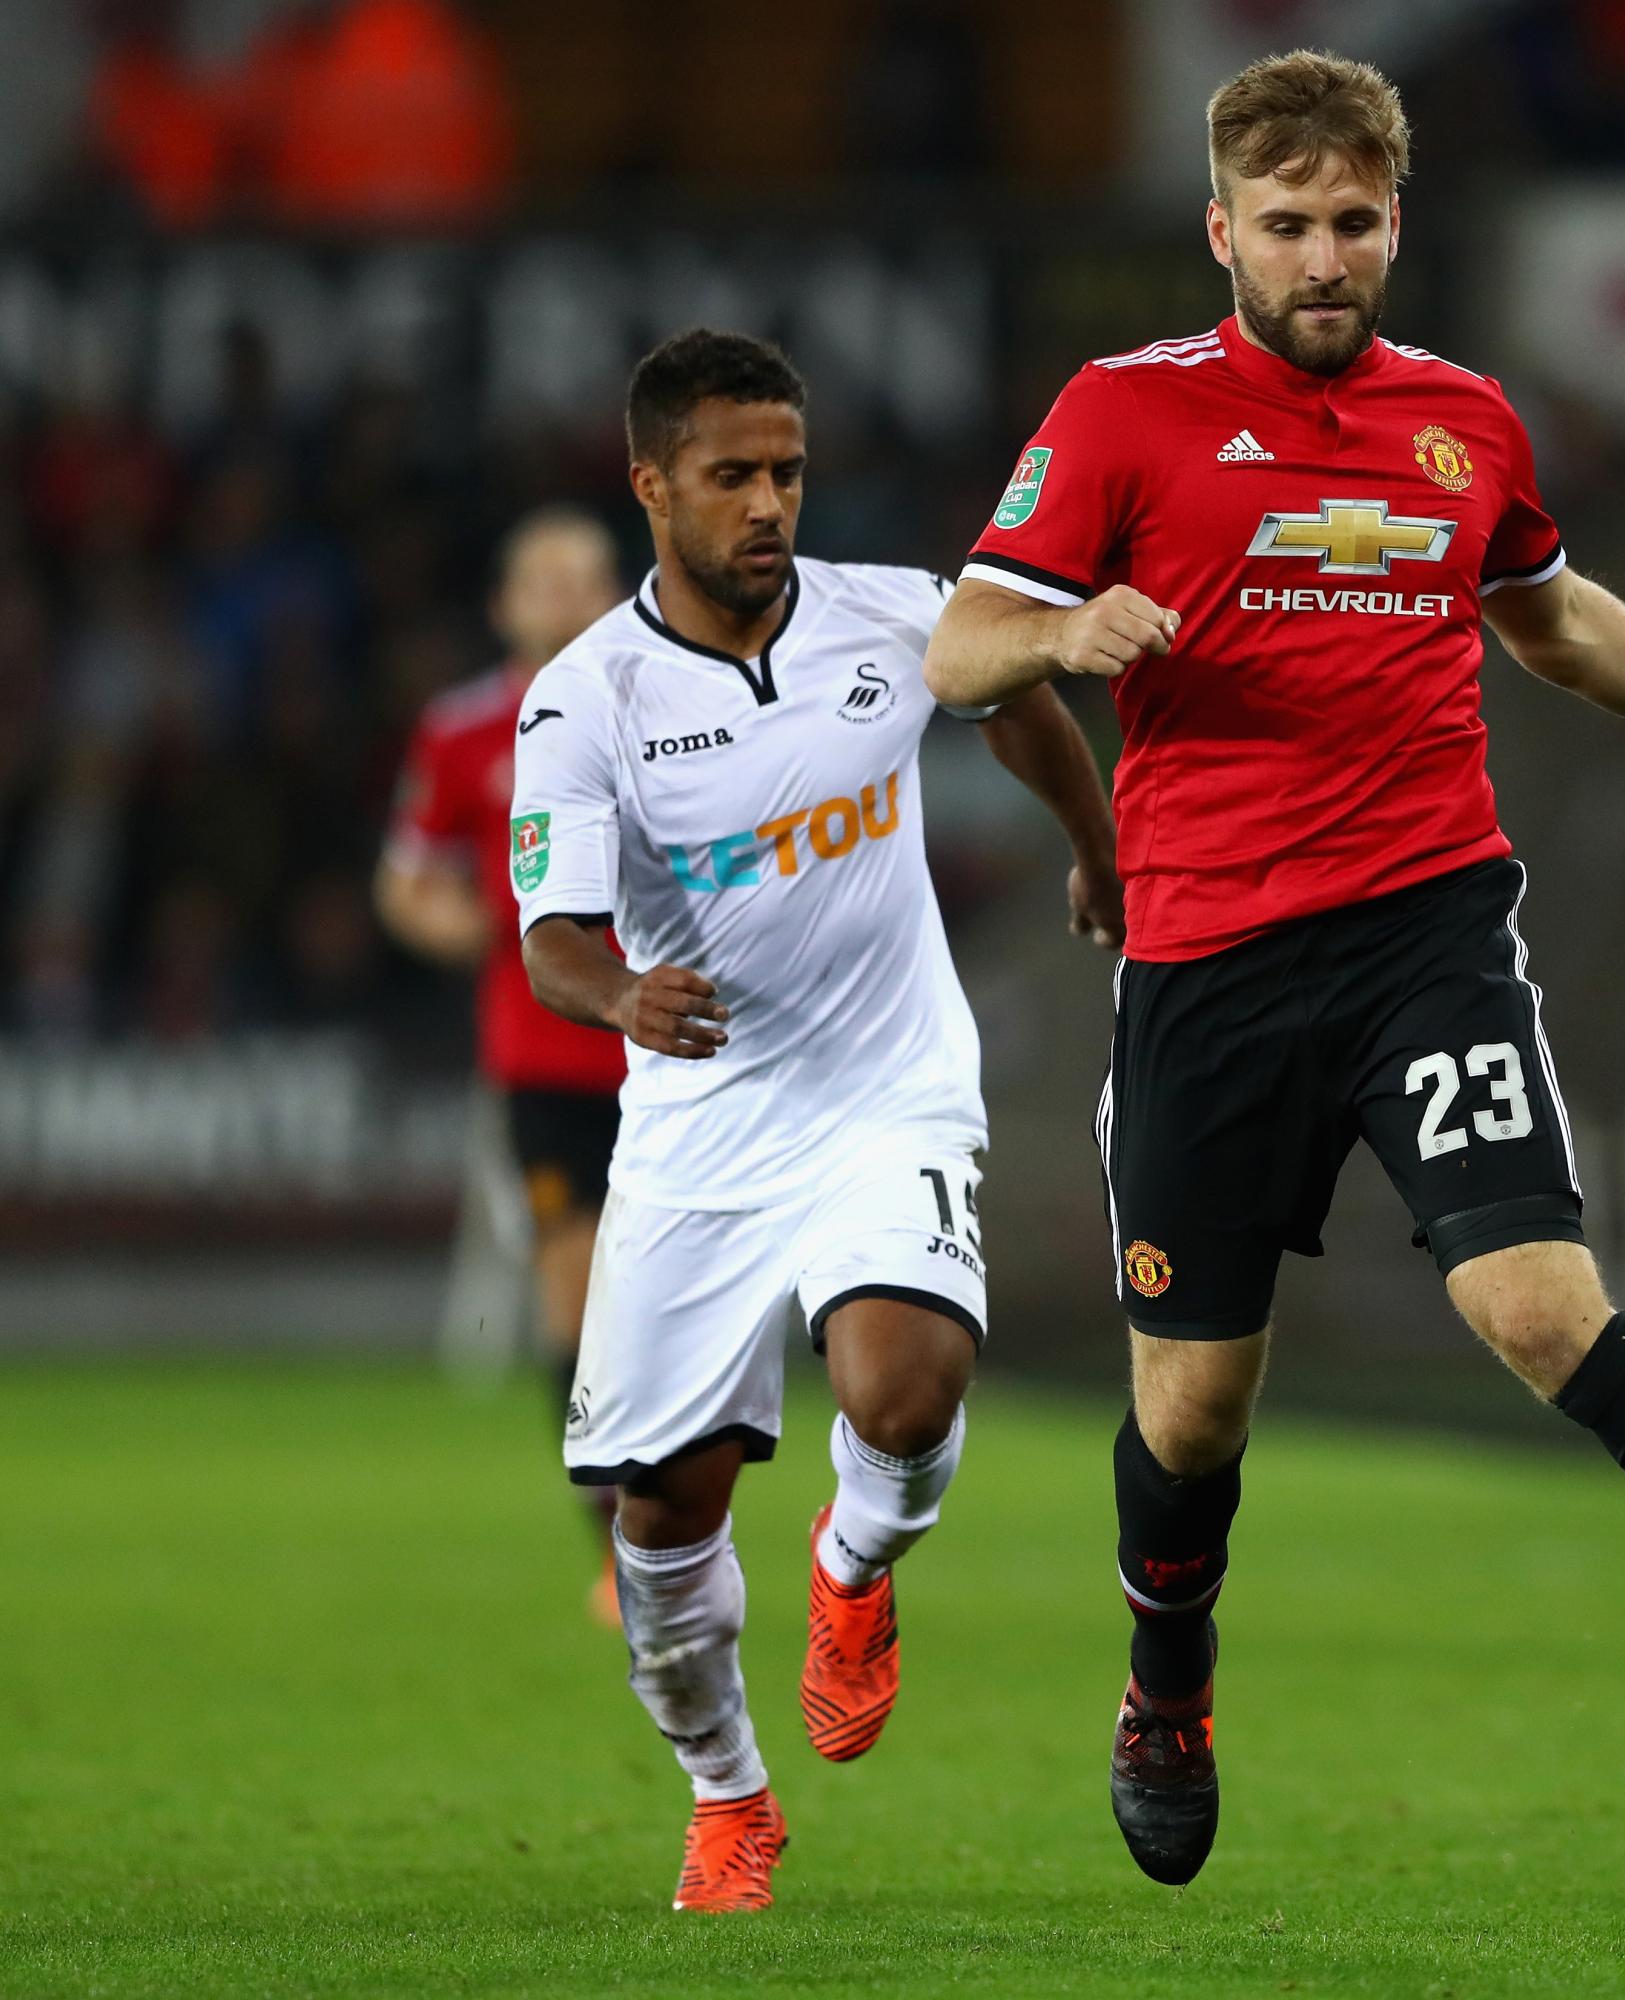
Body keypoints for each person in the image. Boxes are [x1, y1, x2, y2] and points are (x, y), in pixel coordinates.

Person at [925, 50, 1625, 1891]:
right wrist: (1073, 622)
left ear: (1399, 222)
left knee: (1543, 1310)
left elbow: (1551, 616)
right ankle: (1169, 1685)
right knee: (1193, 1410)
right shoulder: (1123, 416)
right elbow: (961, 646)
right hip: (1208, 966)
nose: (1327, 257)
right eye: (1292, 225)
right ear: (1224, 229)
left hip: (1426, 933)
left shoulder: (1464, 420)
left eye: (1359, 222)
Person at [513, 329, 1119, 1913]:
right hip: (701, 1127)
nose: (767, 501)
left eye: (784, 469)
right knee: (662, 1510)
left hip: (885, 1085)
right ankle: (728, 1798)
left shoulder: (897, 613)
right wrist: (622, 998)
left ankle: (851, 1566)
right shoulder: (586, 701)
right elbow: (552, 939)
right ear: (653, 485)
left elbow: (1019, 705)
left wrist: (1099, 851)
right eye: (731, 475)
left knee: (905, 1392)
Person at [376, 506, 628, 1624]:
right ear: (503, 604)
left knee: (672, 1309)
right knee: (574, 1306)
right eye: (546, 580)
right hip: (543, 1062)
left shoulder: (674, 704)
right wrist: (484, 933)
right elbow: (407, 878)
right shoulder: (463, 731)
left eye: (589, 577)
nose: (569, 597)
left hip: (680, 1054)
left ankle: (686, 1531)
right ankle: (622, 1551)